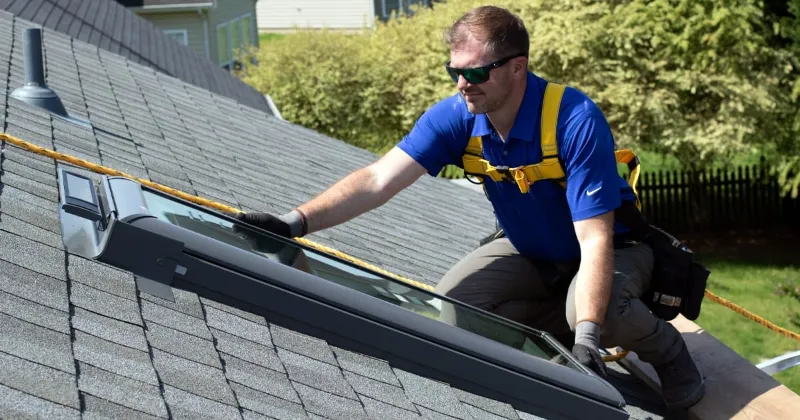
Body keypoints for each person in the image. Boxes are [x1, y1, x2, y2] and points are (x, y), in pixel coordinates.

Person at [237, 5, 705, 410]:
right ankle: (561, 327)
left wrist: (587, 338)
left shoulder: (573, 120)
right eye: (454, 71)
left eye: (477, 73)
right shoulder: (457, 118)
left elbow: (595, 238)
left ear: (517, 67)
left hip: (614, 249)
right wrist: (294, 223)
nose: (463, 84)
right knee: (457, 307)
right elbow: (377, 180)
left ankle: (668, 352)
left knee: (597, 315)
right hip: (530, 251)